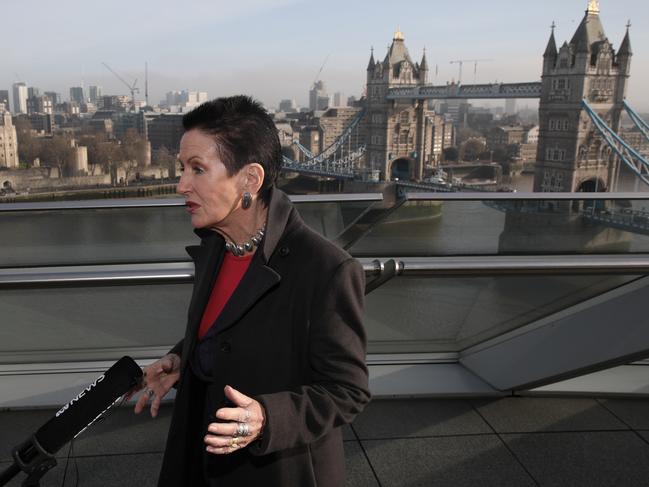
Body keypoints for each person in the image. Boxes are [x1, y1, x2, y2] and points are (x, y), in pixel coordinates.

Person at [133, 95, 370, 486]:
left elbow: (348, 391)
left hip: (276, 468)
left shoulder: (326, 269)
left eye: (197, 169)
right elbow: (230, 326)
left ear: (250, 179)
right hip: (202, 450)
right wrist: (184, 358)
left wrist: (267, 417)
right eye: (182, 168)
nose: (180, 185)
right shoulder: (215, 246)